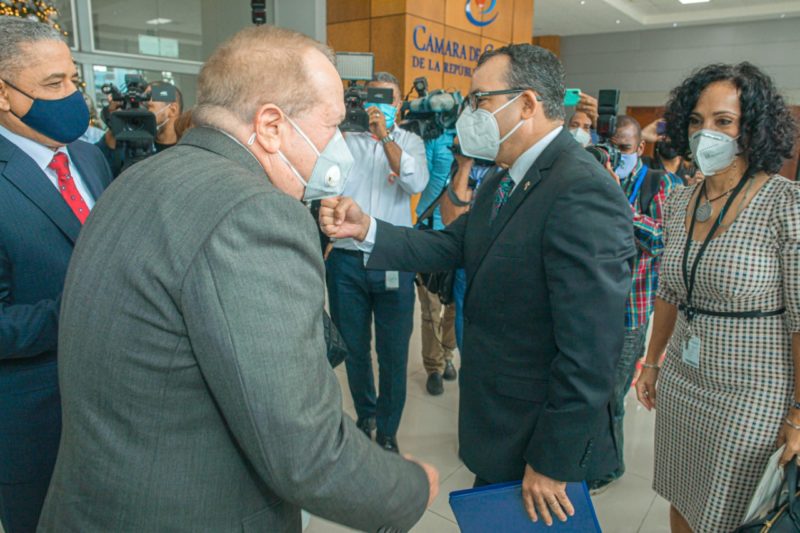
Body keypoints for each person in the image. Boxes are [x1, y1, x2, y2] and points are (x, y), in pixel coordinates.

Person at [37, 25, 437, 532]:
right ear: (271, 125)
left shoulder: (138, 177)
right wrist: (408, 490)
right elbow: (305, 449)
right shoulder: (255, 214)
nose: (339, 144)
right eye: (332, 124)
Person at [321, 44, 635, 527]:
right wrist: (367, 229)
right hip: (499, 424)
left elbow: (592, 349)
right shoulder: (504, 178)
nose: (468, 114)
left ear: (527, 104)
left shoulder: (580, 188)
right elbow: (450, 245)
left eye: (479, 101)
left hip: (537, 441)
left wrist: (553, 459)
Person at [635, 62, 799, 532]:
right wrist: (651, 361)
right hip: (685, 381)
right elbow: (669, 288)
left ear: (752, 130)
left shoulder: (785, 204)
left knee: (731, 516)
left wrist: (799, 415)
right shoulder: (682, 199)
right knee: (682, 496)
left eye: (723, 121)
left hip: (753, 393)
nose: (706, 132)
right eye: (696, 120)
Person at [0, 18, 112, 533]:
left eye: (72, 80)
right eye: (53, 85)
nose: (71, 97)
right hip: (35, 428)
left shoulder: (90, 159)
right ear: (4, 94)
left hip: (114, 413)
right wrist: (83, 309)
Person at [325, 71, 429, 452]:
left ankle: (387, 429)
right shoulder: (343, 141)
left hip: (392, 259)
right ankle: (365, 414)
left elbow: (415, 184)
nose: (379, 103)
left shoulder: (410, 142)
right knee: (353, 346)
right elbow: (323, 184)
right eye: (372, 96)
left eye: (387, 97)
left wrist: (385, 136)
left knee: (393, 352)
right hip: (347, 263)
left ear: (399, 104)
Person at [587, 115, 681, 494]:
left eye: (624, 149)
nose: (616, 156)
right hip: (591, 304)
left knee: (612, 392)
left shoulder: (659, 183)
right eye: (610, 148)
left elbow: (661, 241)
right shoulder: (595, 177)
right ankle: (591, 455)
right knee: (590, 388)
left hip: (630, 309)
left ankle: (610, 466)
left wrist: (618, 201)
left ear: (640, 147)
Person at [416, 128, 458, 396]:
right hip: (430, 231)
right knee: (430, 307)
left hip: (461, 234)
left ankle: (448, 354)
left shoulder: (480, 146)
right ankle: (433, 366)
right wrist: (434, 139)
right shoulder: (435, 139)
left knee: (454, 304)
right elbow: (423, 181)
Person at [96, 80, 182, 175]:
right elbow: (99, 163)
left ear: (173, 110)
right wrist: (114, 124)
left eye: (148, 107)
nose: (141, 111)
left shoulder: (185, 151)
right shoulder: (130, 143)